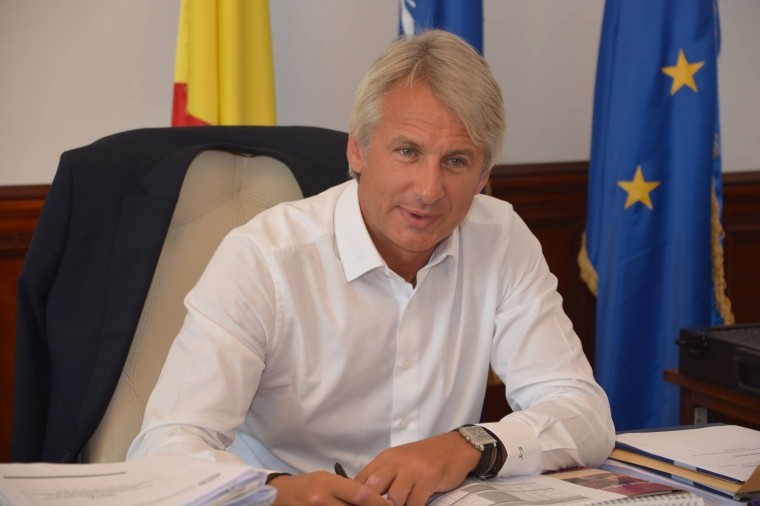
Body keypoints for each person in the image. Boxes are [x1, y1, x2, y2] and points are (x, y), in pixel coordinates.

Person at [127, 29, 615, 505]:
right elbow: (163, 450)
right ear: (357, 150)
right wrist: (277, 492)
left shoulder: (500, 237)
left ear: (483, 175)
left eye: (456, 161)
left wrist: (467, 444)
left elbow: (585, 413)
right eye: (407, 151)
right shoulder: (262, 259)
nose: (428, 190)